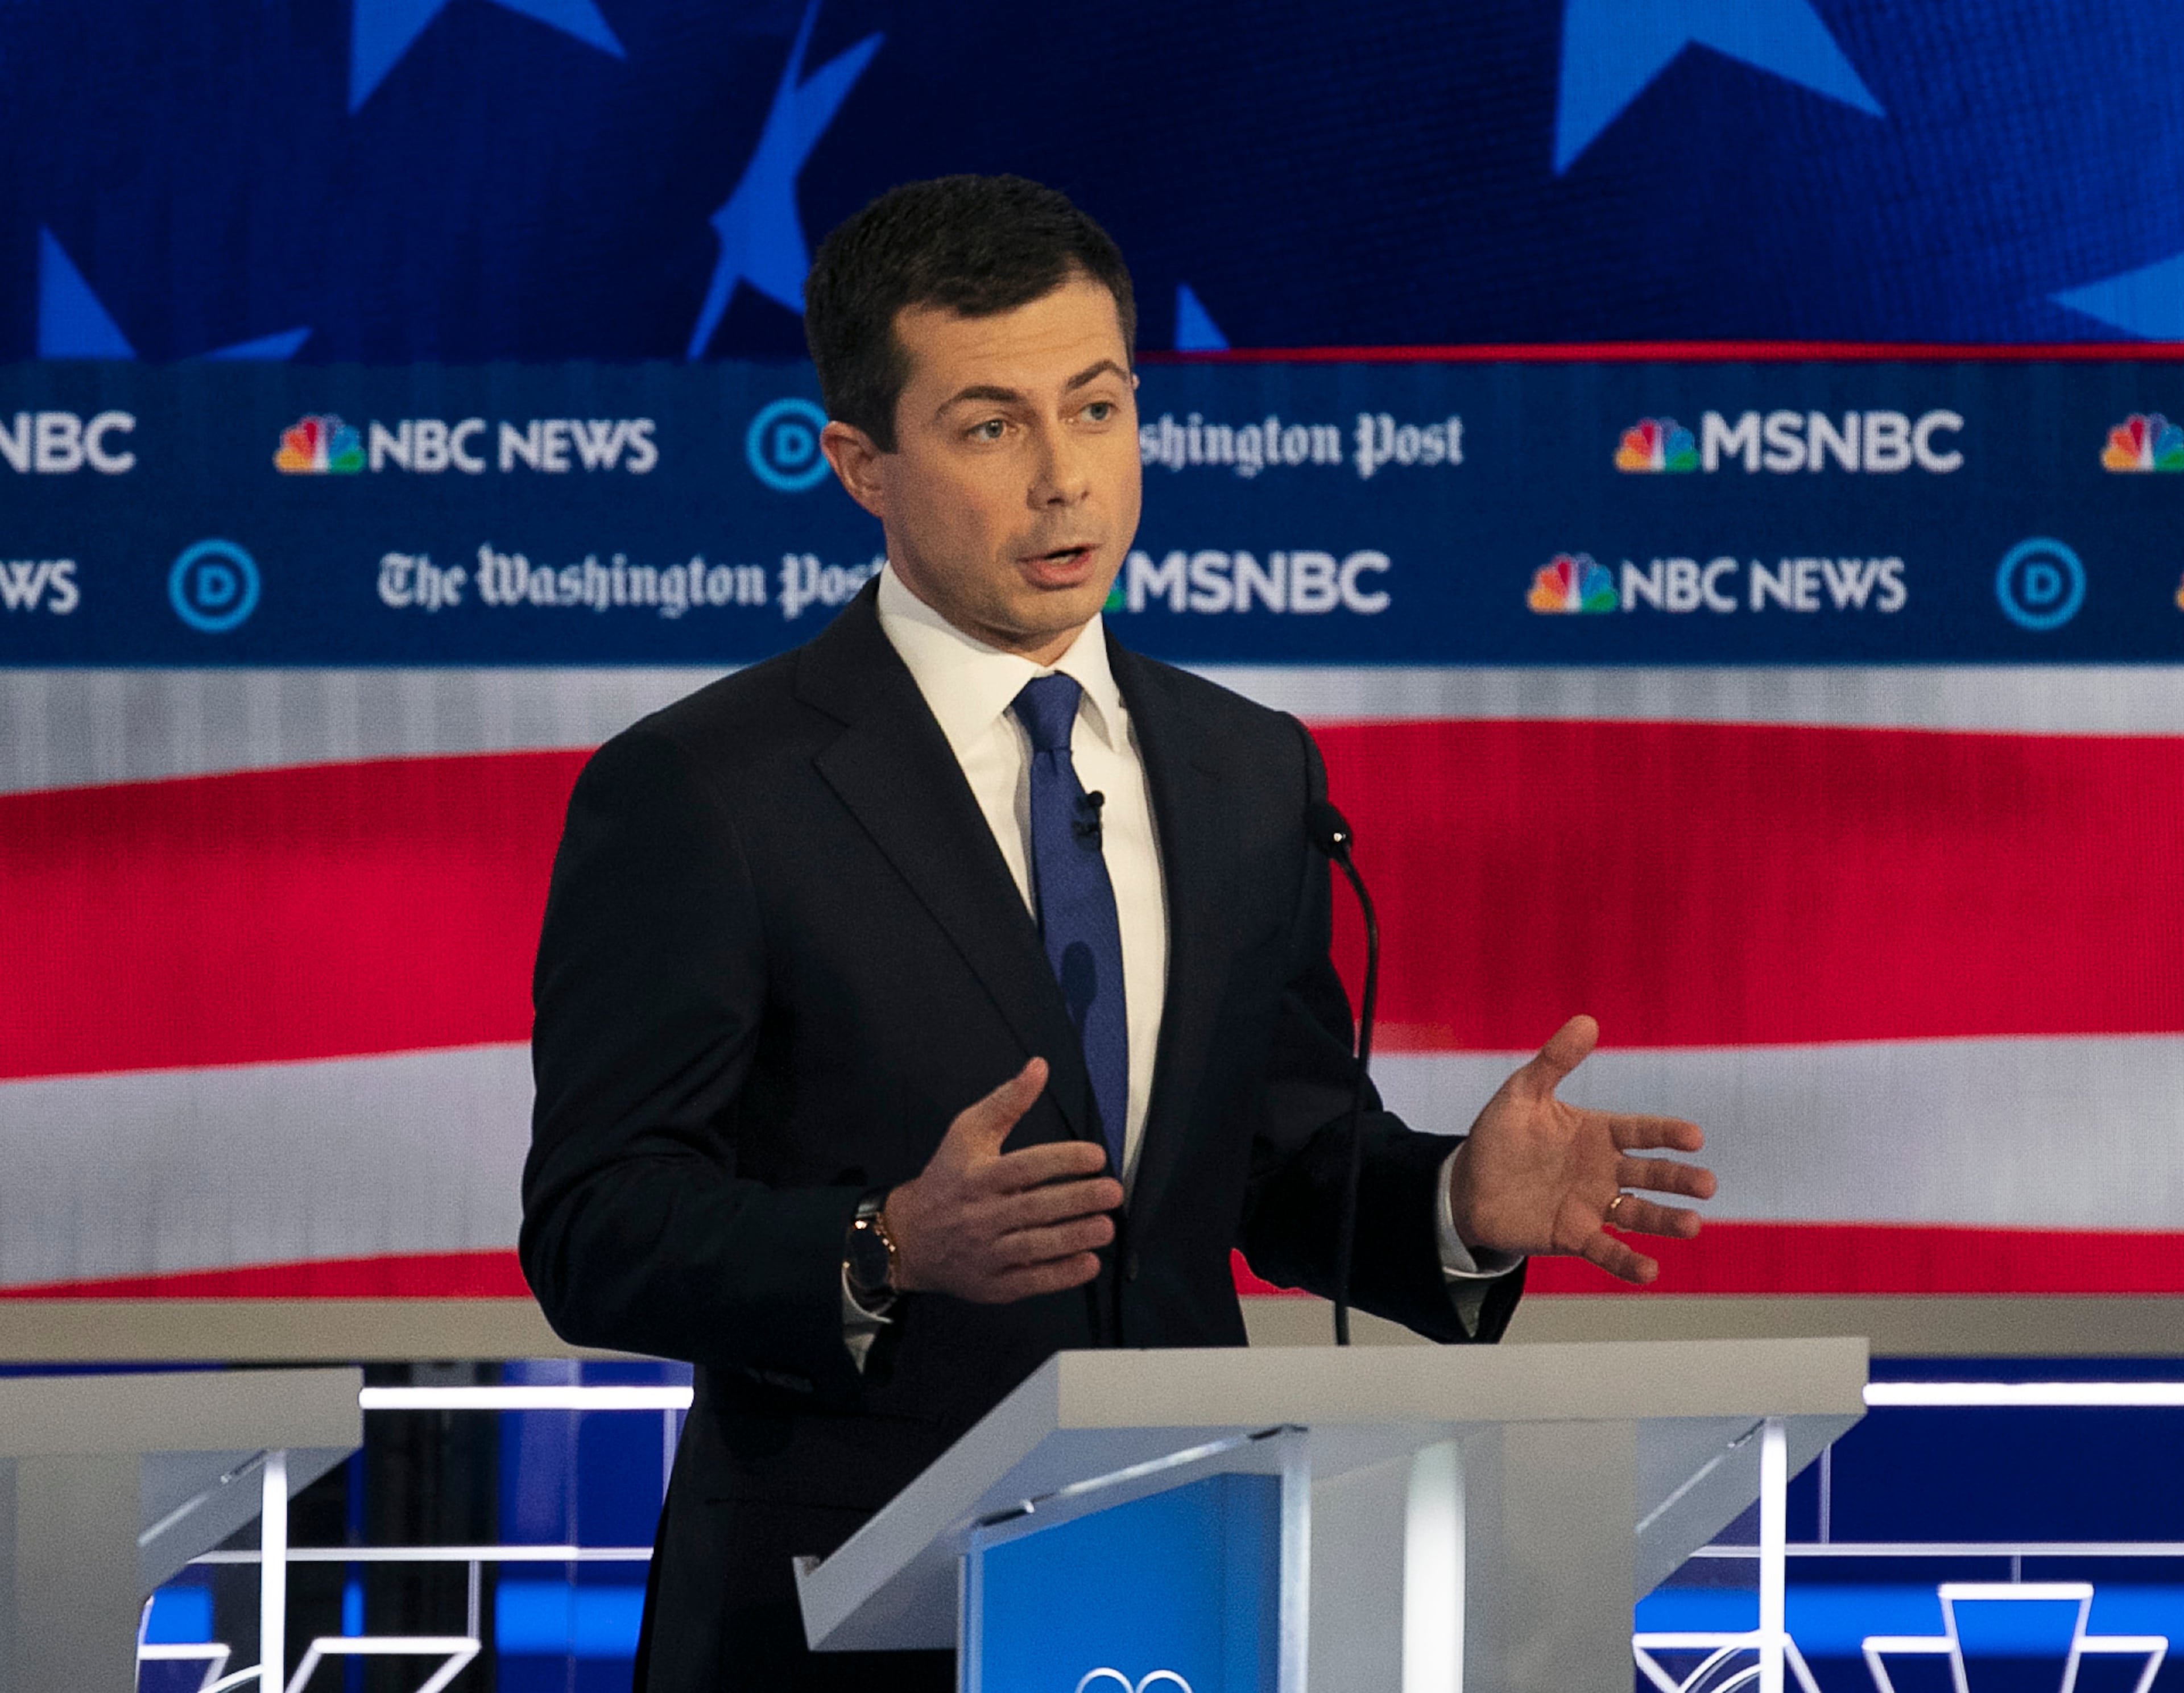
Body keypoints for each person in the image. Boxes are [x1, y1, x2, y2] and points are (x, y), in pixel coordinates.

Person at [521, 173, 1714, 1692]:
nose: (1062, 481)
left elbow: (1278, 1158)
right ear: (861, 463)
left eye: (1096, 409)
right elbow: (593, 1224)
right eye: (990, 426)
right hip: (832, 1620)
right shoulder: (705, 789)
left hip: (1183, 1602)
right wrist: (886, 1239)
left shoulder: (1244, 766)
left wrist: (1451, 1207)